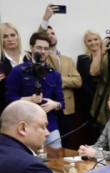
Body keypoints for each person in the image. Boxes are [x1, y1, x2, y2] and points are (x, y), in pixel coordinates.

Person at [5, 32, 64, 148]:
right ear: (31, 47)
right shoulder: (18, 71)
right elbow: (9, 100)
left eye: (46, 48)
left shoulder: (54, 74)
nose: (42, 51)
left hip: (50, 128)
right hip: (25, 130)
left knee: (57, 160)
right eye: (39, 47)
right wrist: (29, 99)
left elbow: (61, 102)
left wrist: (55, 104)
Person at [37, 5, 82, 144]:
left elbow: (78, 81)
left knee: (65, 142)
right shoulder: (43, 56)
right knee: (48, 143)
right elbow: (39, 36)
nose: (50, 36)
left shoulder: (68, 60)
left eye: (53, 34)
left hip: (66, 107)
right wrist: (46, 18)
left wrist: (56, 79)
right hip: (48, 105)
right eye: (47, 34)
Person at [76, 30, 102, 142]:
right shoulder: (82, 59)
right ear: (85, 43)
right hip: (89, 101)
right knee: (92, 131)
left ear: (100, 40)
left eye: (95, 39)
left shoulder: (107, 57)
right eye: (89, 40)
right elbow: (82, 81)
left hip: (106, 99)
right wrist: (93, 98)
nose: (93, 43)